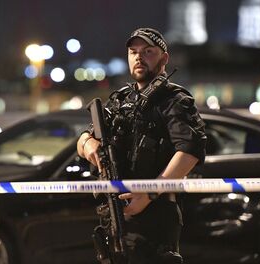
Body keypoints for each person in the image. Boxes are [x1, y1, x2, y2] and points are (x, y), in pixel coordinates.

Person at [77, 27, 206, 264]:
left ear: (164, 58)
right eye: (133, 52)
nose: (139, 57)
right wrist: (88, 144)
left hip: (155, 216)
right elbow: (84, 137)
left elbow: (190, 151)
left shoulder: (174, 100)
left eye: (148, 51)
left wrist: (149, 193)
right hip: (115, 214)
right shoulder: (121, 100)